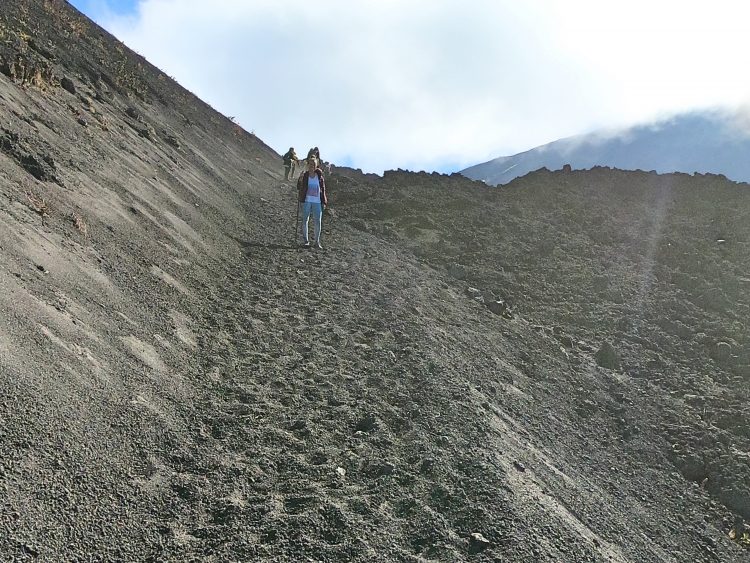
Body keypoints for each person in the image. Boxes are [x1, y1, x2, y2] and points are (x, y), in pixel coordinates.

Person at [296, 157, 327, 249]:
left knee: (318, 221)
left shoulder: (319, 177)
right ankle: (306, 241)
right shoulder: (305, 176)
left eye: (313, 164)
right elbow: (299, 187)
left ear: (316, 165)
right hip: (307, 200)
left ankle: (317, 242)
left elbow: (323, 190)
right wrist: (300, 180)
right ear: (307, 165)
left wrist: (324, 201)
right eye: (310, 164)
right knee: (305, 220)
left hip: (317, 201)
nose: (311, 166)